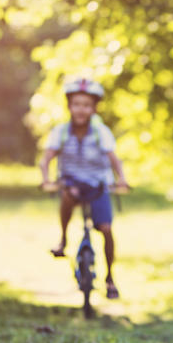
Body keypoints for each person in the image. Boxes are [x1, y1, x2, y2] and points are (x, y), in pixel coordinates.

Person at [39, 77, 129, 300]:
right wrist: (45, 179)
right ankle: (63, 239)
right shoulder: (60, 132)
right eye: (77, 104)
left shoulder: (101, 132)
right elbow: (46, 159)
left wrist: (122, 180)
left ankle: (110, 278)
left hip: (98, 183)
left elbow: (114, 159)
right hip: (71, 181)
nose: (81, 109)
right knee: (69, 194)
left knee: (106, 229)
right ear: (69, 106)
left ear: (94, 109)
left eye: (87, 105)